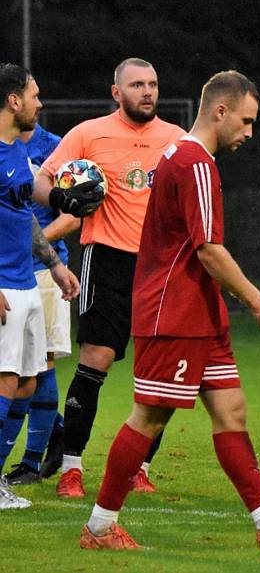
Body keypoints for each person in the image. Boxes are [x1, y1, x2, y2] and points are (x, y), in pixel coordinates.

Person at [80, 70, 260, 549]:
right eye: (246, 121)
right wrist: (258, 301)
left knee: (231, 410)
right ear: (220, 111)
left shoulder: (176, 152)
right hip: (172, 311)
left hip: (198, 311)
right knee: (149, 417)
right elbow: (208, 250)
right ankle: (98, 527)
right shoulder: (195, 162)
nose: (249, 133)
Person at [34, 58, 186, 497]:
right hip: (107, 261)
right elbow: (43, 181)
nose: (147, 92)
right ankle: (72, 469)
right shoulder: (88, 134)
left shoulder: (176, 140)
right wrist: (61, 196)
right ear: (116, 92)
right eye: (137, 84)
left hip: (161, 266)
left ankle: (139, 467)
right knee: (95, 361)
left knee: (160, 373)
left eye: (153, 84)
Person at [0, 64, 80, 509]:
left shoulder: (15, 152)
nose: (39, 103)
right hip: (4, 286)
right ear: (14, 100)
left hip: (30, 282)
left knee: (28, 382)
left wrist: (55, 265)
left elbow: (23, 217)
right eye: (33, 95)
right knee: (6, 380)